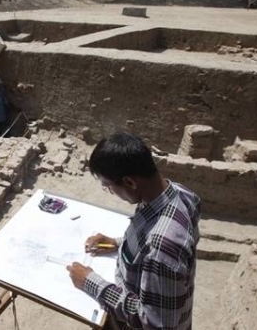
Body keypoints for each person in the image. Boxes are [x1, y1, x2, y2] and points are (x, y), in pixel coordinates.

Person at [66, 132, 201, 330]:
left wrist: (91, 283)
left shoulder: (161, 247)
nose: (110, 192)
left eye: (108, 186)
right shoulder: (181, 194)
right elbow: (159, 236)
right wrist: (118, 242)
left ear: (130, 182)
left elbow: (155, 323)